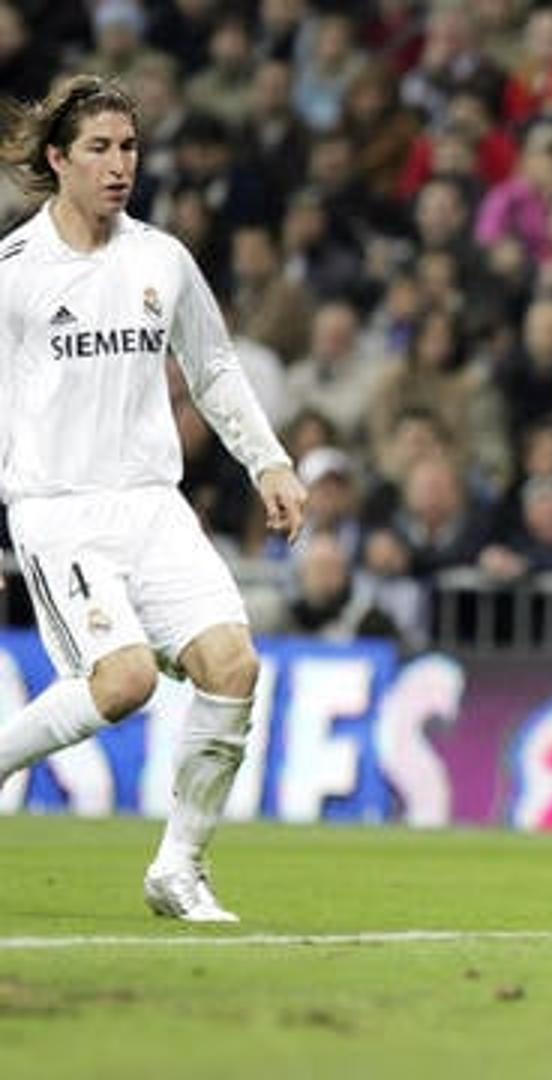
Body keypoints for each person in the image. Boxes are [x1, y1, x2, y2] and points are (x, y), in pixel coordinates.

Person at [0, 75, 307, 922]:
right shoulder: (15, 274)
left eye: (128, 147)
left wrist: (270, 463)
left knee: (233, 666)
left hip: (152, 504)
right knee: (125, 679)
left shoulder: (161, 259)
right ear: (58, 159)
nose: (117, 165)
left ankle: (179, 868)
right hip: (59, 509)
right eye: (98, 148)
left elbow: (211, 367)